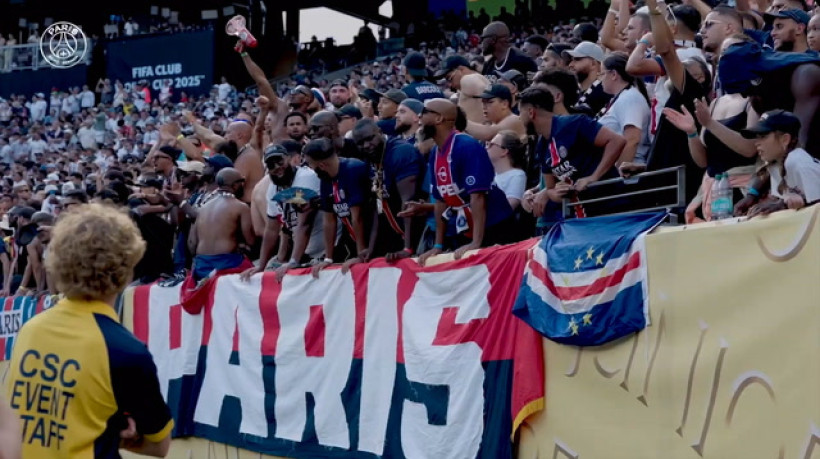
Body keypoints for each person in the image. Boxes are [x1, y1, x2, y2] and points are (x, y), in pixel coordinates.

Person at [6, 203, 173, 457]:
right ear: (127, 270)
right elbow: (159, 445)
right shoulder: (126, 351)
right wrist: (114, 434)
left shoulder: (30, 329)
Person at [417, 99, 515, 265]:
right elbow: (440, 201)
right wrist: (438, 245)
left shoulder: (467, 146)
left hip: (495, 225)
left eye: (424, 112)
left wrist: (476, 242)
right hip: (465, 227)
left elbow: (478, 197)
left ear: (439, 118)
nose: (419, 116)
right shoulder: (435, 152)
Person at [518, 87, 626, 228]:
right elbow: (550, 189)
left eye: (520, 113)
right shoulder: (541, 146)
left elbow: (617, 141)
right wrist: (559, 193)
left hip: (610, 206)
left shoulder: (574, 123)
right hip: (581, 217)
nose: (519, 119)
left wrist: (594, 176)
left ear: (531, 112)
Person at [242, 144, 323, 282]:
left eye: (280, 161)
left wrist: (293, 261)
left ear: (288, 159)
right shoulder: (273, 189)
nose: (277, 167)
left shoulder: (304, 177)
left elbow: (304, 224)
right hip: (305, 251)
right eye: (271, 165)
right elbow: (271, 230)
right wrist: (261, 265)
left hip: (324, 249)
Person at [351, 119, 425, 263]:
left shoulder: (401, 152)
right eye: (360, 143)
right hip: (398, 231)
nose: (366, 145)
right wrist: (371, 249)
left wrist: (407, 248)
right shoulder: (371, 158)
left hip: (422, 230)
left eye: (369, 139)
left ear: (380, 132)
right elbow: (378, 206)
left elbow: (408, 204)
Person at [304, 138, 373, 276]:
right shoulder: (325, 178)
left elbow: (357, 217)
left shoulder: (353, 169)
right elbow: (329, 220)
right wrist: (328, 258)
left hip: (373, 237)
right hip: (351, 238)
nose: (311, 169)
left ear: (322, 165)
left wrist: (361, 254)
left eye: (311, 165)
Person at [741, 110, 820, 214]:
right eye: (757, 137)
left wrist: (784, 205)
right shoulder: (776, 162)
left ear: (785, 140)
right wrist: (752, 198)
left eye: (763, 136)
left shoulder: (799, 162)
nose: (757, 143)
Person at [189, 168, 255, 282]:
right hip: (227, 264)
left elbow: (192, 243)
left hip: (202, 266)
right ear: (235, 185)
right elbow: (251, 241)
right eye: (241, 182)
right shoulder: (241, 207)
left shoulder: (203, 208)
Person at [434, 55, 492, 123]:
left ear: (461, 69)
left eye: (450, 78)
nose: (450, 85)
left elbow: (486, 92)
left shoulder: (467, 79)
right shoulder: (476, 79)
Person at [488, 130, 527, 210]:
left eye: (491, 144)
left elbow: (509, 206)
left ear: (504, 151)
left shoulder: (517, 175)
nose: (487, 147)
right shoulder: (490, 174)